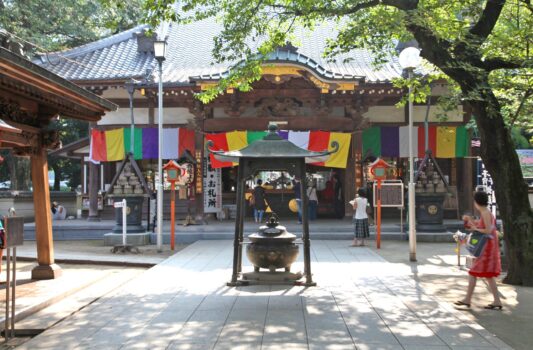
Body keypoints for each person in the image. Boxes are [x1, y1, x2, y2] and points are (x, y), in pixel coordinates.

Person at [455, 191, 502, 310]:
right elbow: (486, 228)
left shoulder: (485, 213)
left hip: (486, 248)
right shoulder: (485, 212)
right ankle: (496, 301)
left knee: (474, 273)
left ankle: (467, 299)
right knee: (488, 275)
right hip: (487, 246)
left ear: (476, 202)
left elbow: (487, 230)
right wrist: (472, 221)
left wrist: (475, 227)